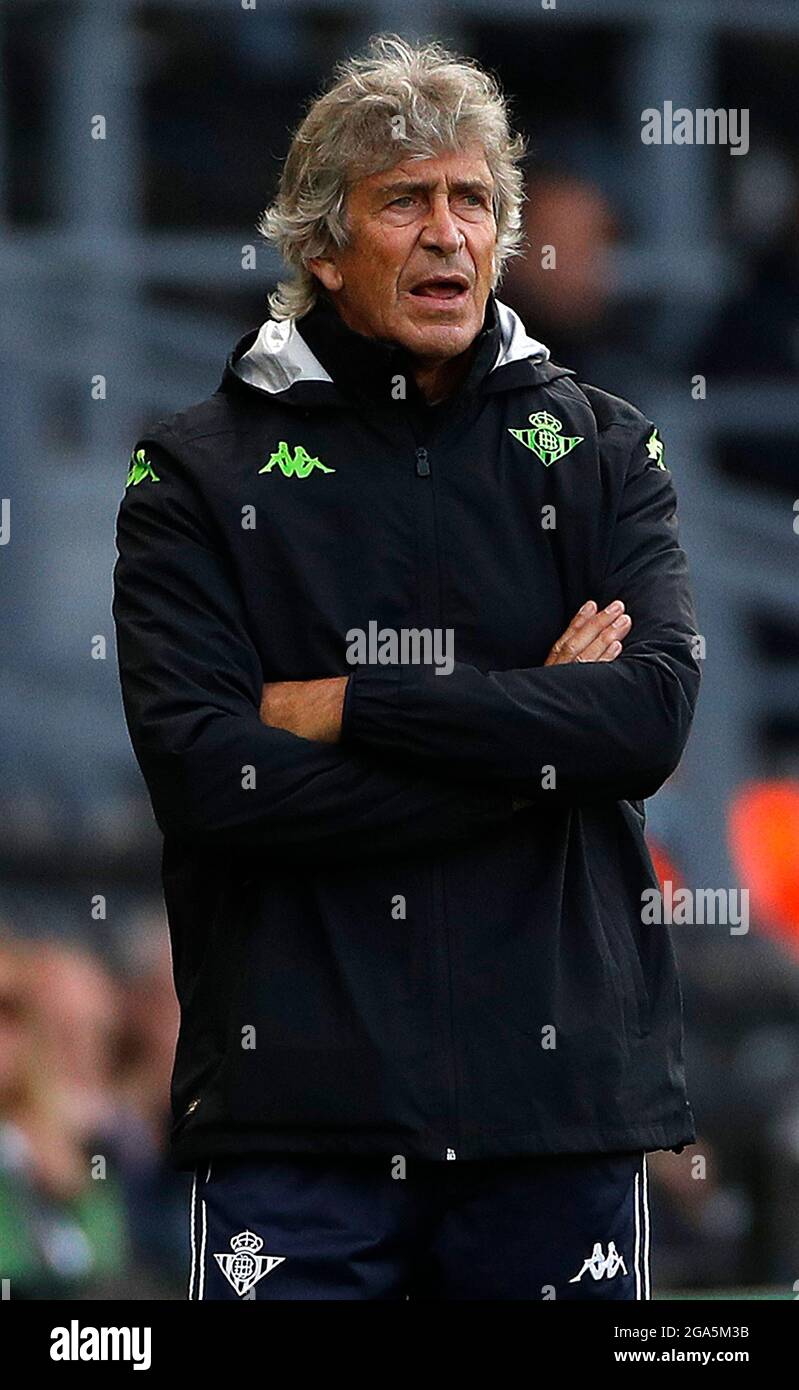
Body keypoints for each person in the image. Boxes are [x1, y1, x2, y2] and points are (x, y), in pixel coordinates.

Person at [112, 35, 701, 1301]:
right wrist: (534, 748)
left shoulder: (600, 449)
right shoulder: (193, 477)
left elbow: (644, 719)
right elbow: (215, 783)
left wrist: (354, 708)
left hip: (557, 1117)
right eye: (405, 201)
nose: (448, 234)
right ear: (323, 247)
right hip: (298, 1122)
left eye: (472, 200)